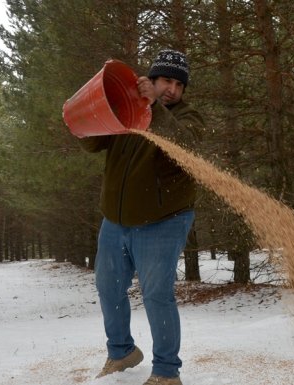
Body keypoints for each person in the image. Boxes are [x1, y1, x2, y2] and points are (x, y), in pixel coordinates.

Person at [79, 49, 204, 385]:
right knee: (108, 286)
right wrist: (92, 115)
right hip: (116, 219)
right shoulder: (128, 110)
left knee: (156, 293)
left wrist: (156, 109)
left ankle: (166, 371)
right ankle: (121, 352)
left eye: (179, 84)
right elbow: (93, 144)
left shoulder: (188, 117)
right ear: (152, 78)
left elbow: (186, 147)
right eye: (166, 80)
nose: (173, 90)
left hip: (163, 219)